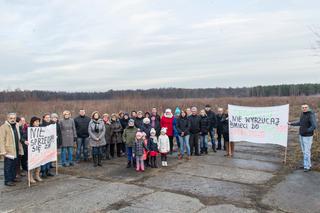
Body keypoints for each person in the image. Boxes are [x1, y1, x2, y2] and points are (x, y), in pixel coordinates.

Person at [289, 104, 317, 172]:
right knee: (304, 151)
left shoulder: (311, 115)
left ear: (308, 108)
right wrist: (291, 123)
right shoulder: (302, 114)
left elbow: (314, 126)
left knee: (307, 152)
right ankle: (306, 165)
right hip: (301, 135)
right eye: (303, 107)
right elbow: (300, 123)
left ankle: (307, 167)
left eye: (305, 107)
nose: (304, 108)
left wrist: (307, 131)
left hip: (307, 136)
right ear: (301, 108)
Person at [0, 113, 24, 186]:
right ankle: (7, 180)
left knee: (15, 165)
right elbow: (1, 140)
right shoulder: (3, 127)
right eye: (11, 118)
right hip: (8, 150)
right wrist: (3, 151)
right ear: (7, 118)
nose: (12, 119)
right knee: (8, 166)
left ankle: (13, 178)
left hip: (16, 149)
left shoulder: (16, 125)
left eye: (14, 118)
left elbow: (19, 136)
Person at [40, 113, 55, 178]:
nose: (48, 118)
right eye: (46, 117)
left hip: (50, 144)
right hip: (43, 145)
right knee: (44, 159)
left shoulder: (52, 125)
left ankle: (48, 171)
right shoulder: (41, 125)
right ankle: (43, 172)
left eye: (49, 117)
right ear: (44, 118)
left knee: (49, 158)